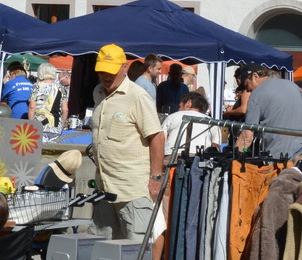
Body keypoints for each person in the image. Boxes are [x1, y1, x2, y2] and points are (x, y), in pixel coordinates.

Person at [89, 43, 164, 238]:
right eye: (102, 71)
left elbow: (157, 136)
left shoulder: (137, 96)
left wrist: (156, 178)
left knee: (134, 258)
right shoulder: (97, 93)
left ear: (124, 68)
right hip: (104, 190)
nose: (106, 76)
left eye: (111, 71)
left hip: (132, 191)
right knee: (104, 257)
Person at [237, 66, 302, 159]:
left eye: (246, 85)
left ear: (255, 76)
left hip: (278, 156)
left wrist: (239, 155)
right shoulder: (292, 86)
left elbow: (247, 136)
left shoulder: (256, 95)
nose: (248, 90)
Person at [162, 88, 219, 156]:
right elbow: (216, 146)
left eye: (180, 106)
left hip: (171, 155)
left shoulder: (172, 117)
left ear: (188, 103)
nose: (178, 109)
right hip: (200, 159)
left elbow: (162, 140)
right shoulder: (211, 121)